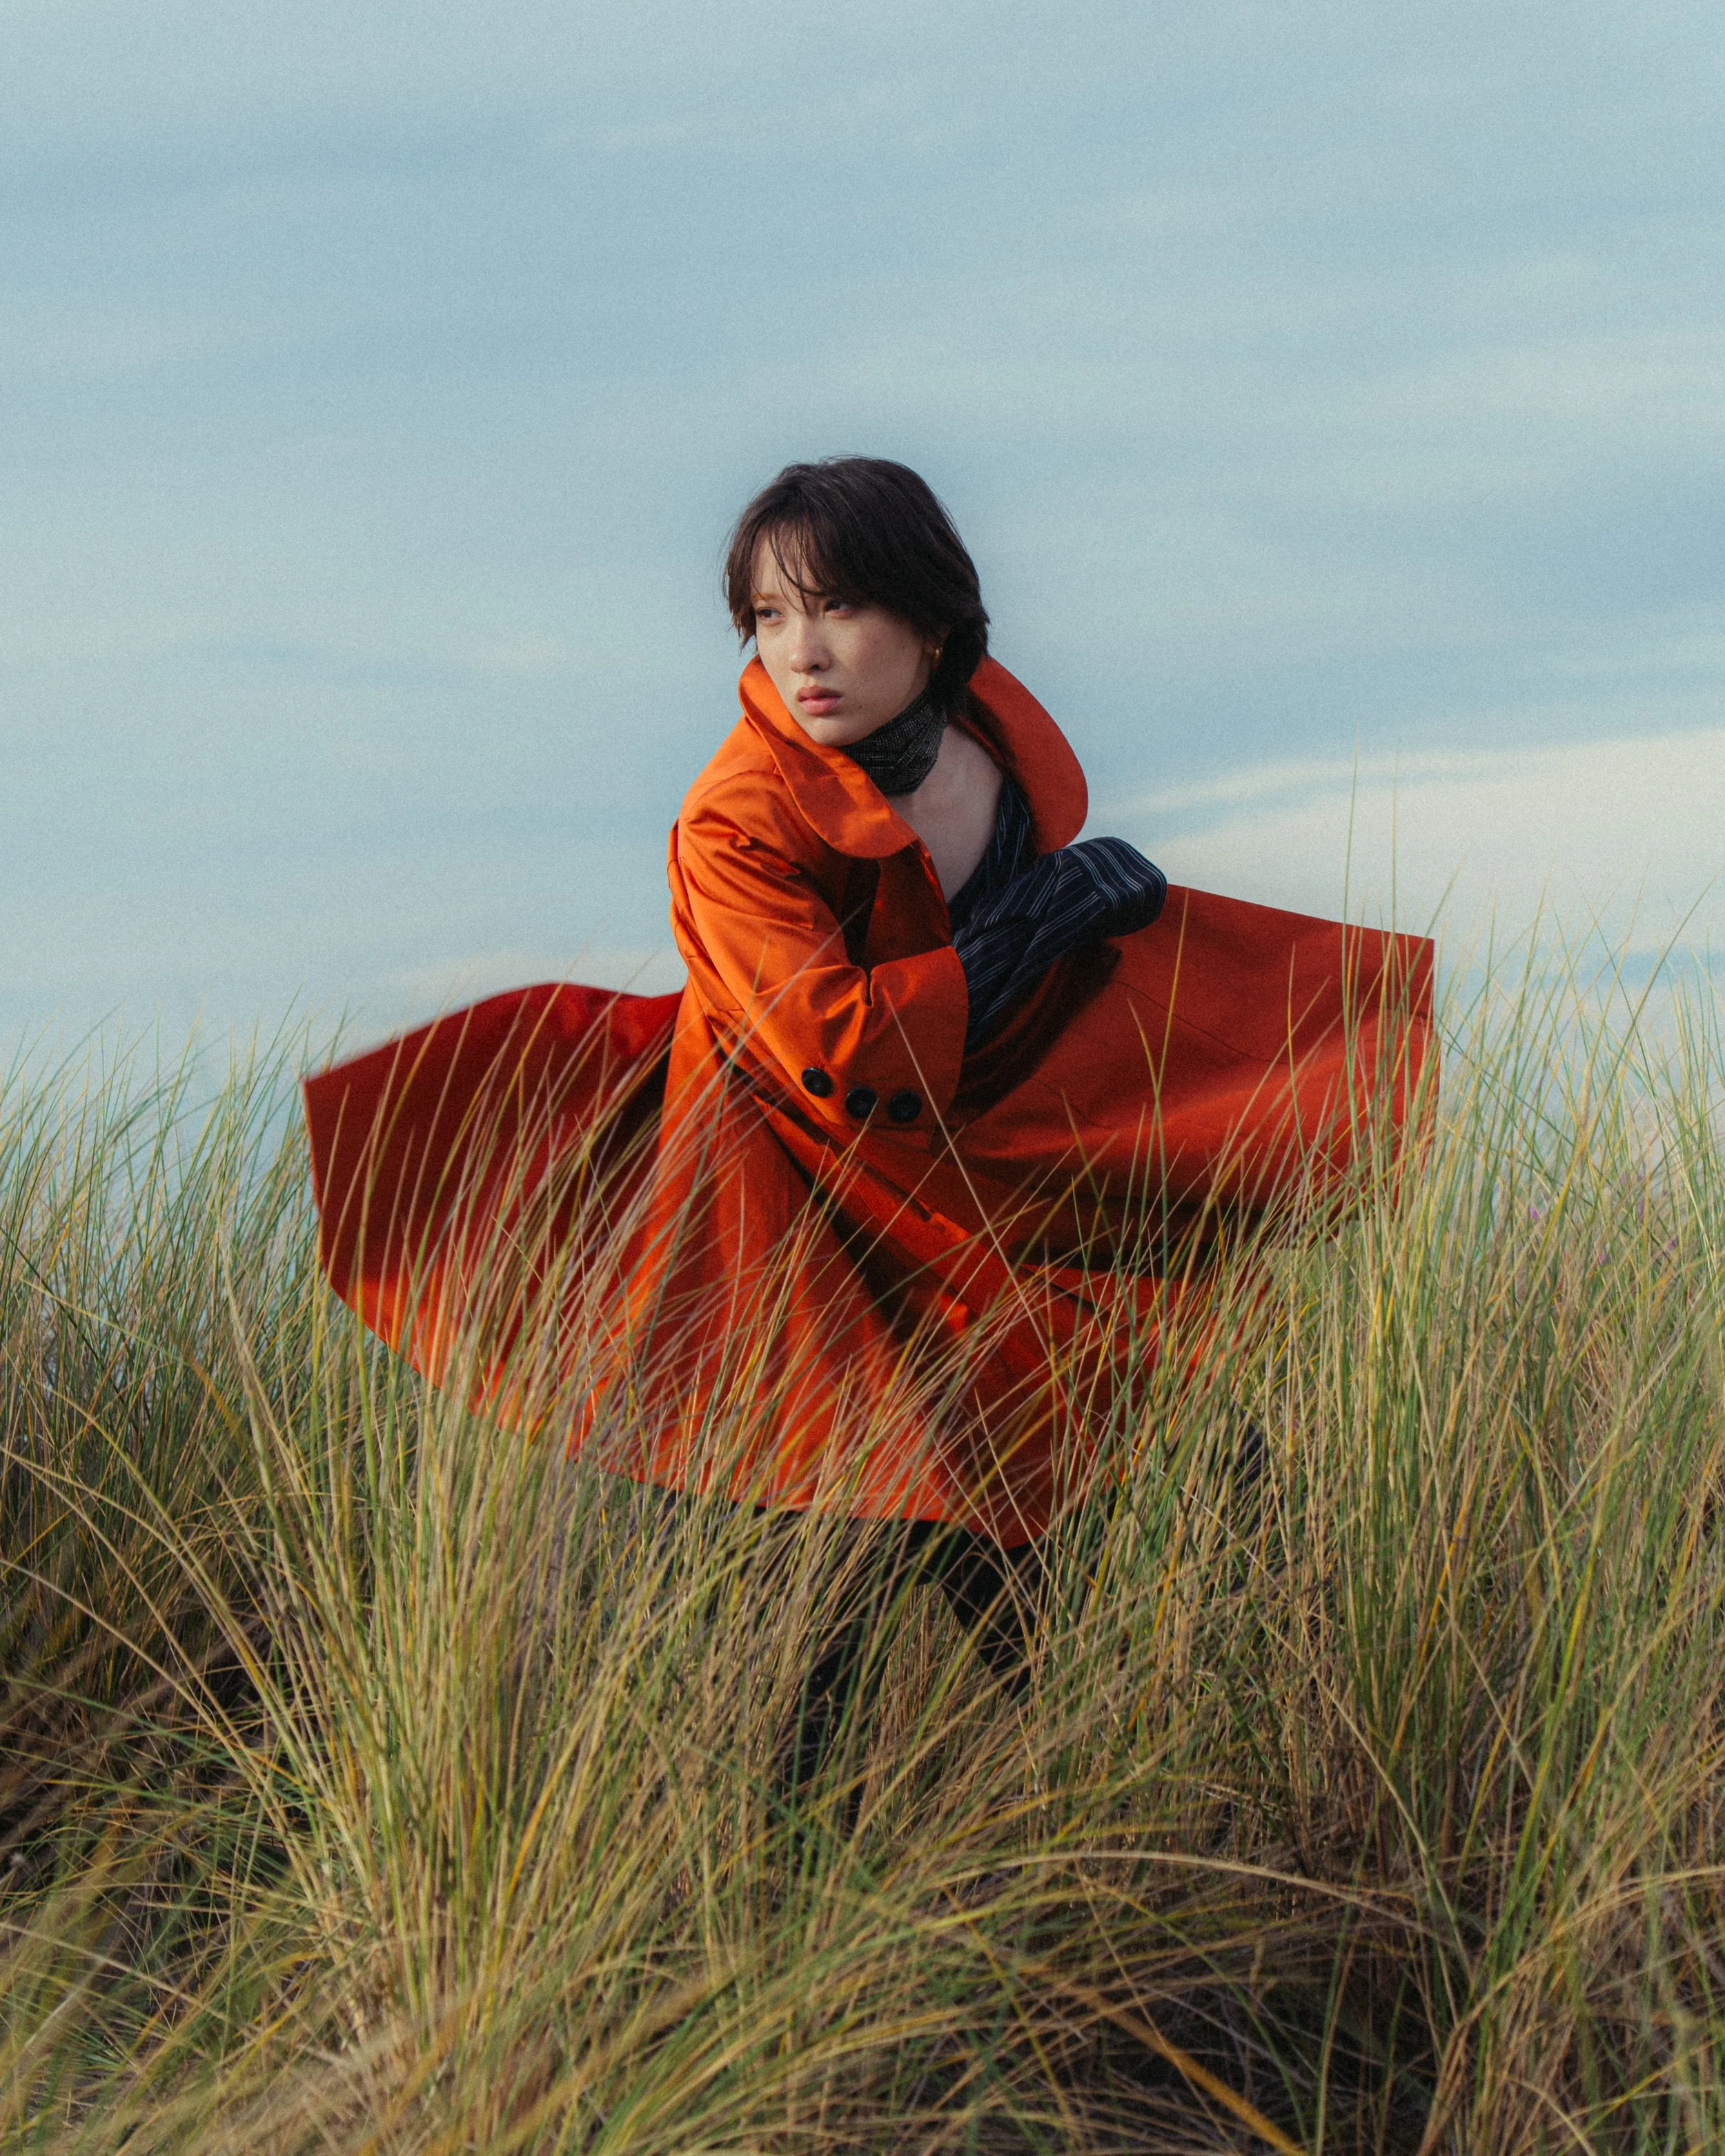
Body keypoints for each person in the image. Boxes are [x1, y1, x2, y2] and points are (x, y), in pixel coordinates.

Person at [303, 457, 1435, 1790]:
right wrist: (1031, 924)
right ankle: (759, 1913)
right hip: (784, 1250)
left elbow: (1026, 1032)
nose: (802, 652)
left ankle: (1194, 1855)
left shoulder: (992, 764)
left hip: (965, 1227)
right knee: (798, 1675)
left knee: (1153, 1585)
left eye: (836, 606)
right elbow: (835, 1052)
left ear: (933, 622)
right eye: (768, 617)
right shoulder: (735, 819)